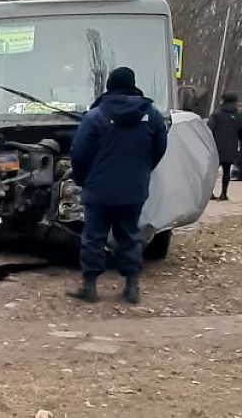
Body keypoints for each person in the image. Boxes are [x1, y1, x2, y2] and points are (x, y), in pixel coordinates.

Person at [68, 67, 168, 305]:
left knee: (93, 237)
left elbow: (79, 153)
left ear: (110, 86)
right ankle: (132, 285)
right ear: (133, 85)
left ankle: (90, 286)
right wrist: (142, 171)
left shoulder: (95, 116)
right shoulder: (151, 115)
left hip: (99, 189)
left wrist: (83, 179)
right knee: (129, 235)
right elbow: (159, 148)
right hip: (133, 189)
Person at [208, 92, 242, 201]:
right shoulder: (239, 114)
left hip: (215, 145)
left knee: (213, 171)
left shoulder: (216, 114)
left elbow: (209, 128)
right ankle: (224, 193)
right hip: (231, 145)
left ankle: (209, 193)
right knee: (227, 171)